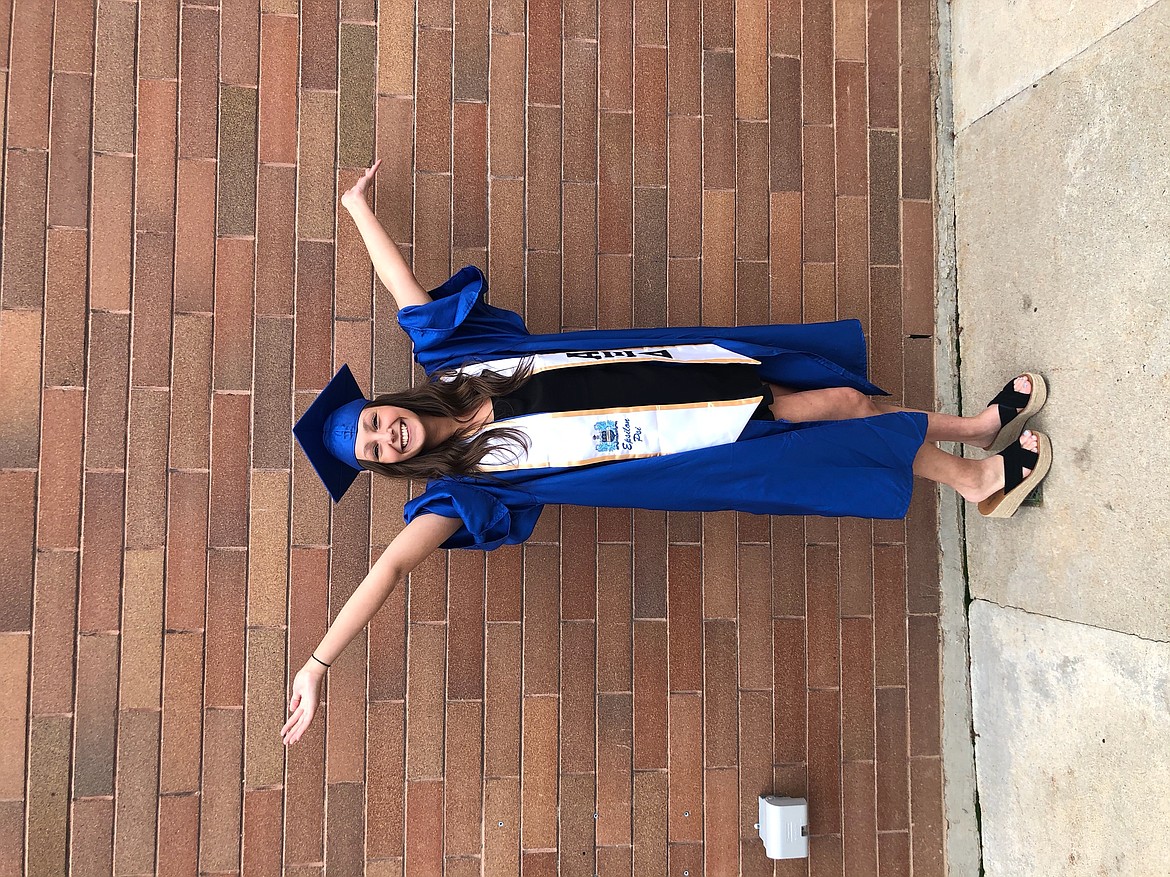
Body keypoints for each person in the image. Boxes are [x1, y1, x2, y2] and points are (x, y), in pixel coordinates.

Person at [280, 161, 1051, 747]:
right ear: (386, 466)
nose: (387, 436)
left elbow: (403, 287)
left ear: (387, 404)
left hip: (681, 372)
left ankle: (977, 431)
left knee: (843, 396)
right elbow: (390, 568)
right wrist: (317, 663)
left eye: (376, 421)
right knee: (844, 415)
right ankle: (977, 476)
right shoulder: (459, 490)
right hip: (689, 445)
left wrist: (355, 207)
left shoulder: (454, 359)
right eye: (376, 449)